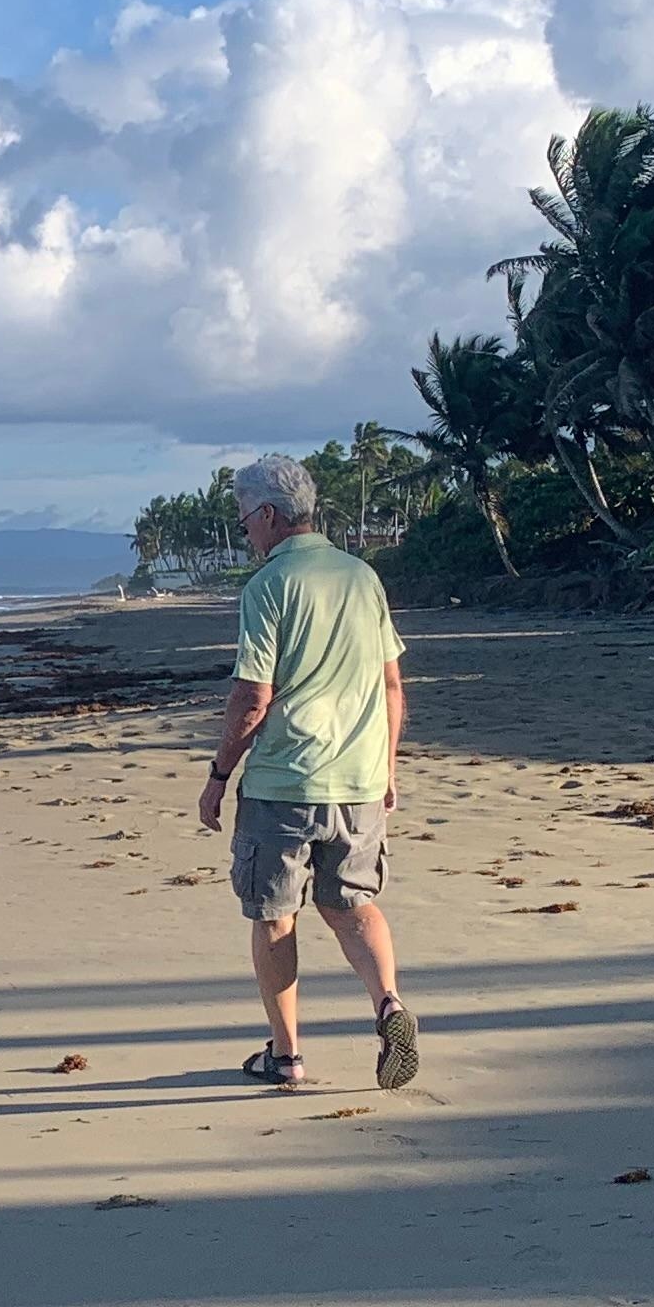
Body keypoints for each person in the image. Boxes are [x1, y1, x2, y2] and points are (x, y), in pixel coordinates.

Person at [195, 455, 416, 1091]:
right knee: (352, 905)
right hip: (359, 778)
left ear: (268, 515)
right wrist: (386, 767)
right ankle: (389, 1004)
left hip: (283, 783)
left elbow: (252, 697)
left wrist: (218, 774)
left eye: (244, 520)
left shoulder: (267, 587)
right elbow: (391, 684)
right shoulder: (362, 578)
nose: (245, 531)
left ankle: (287, 1054)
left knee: (274, 915)